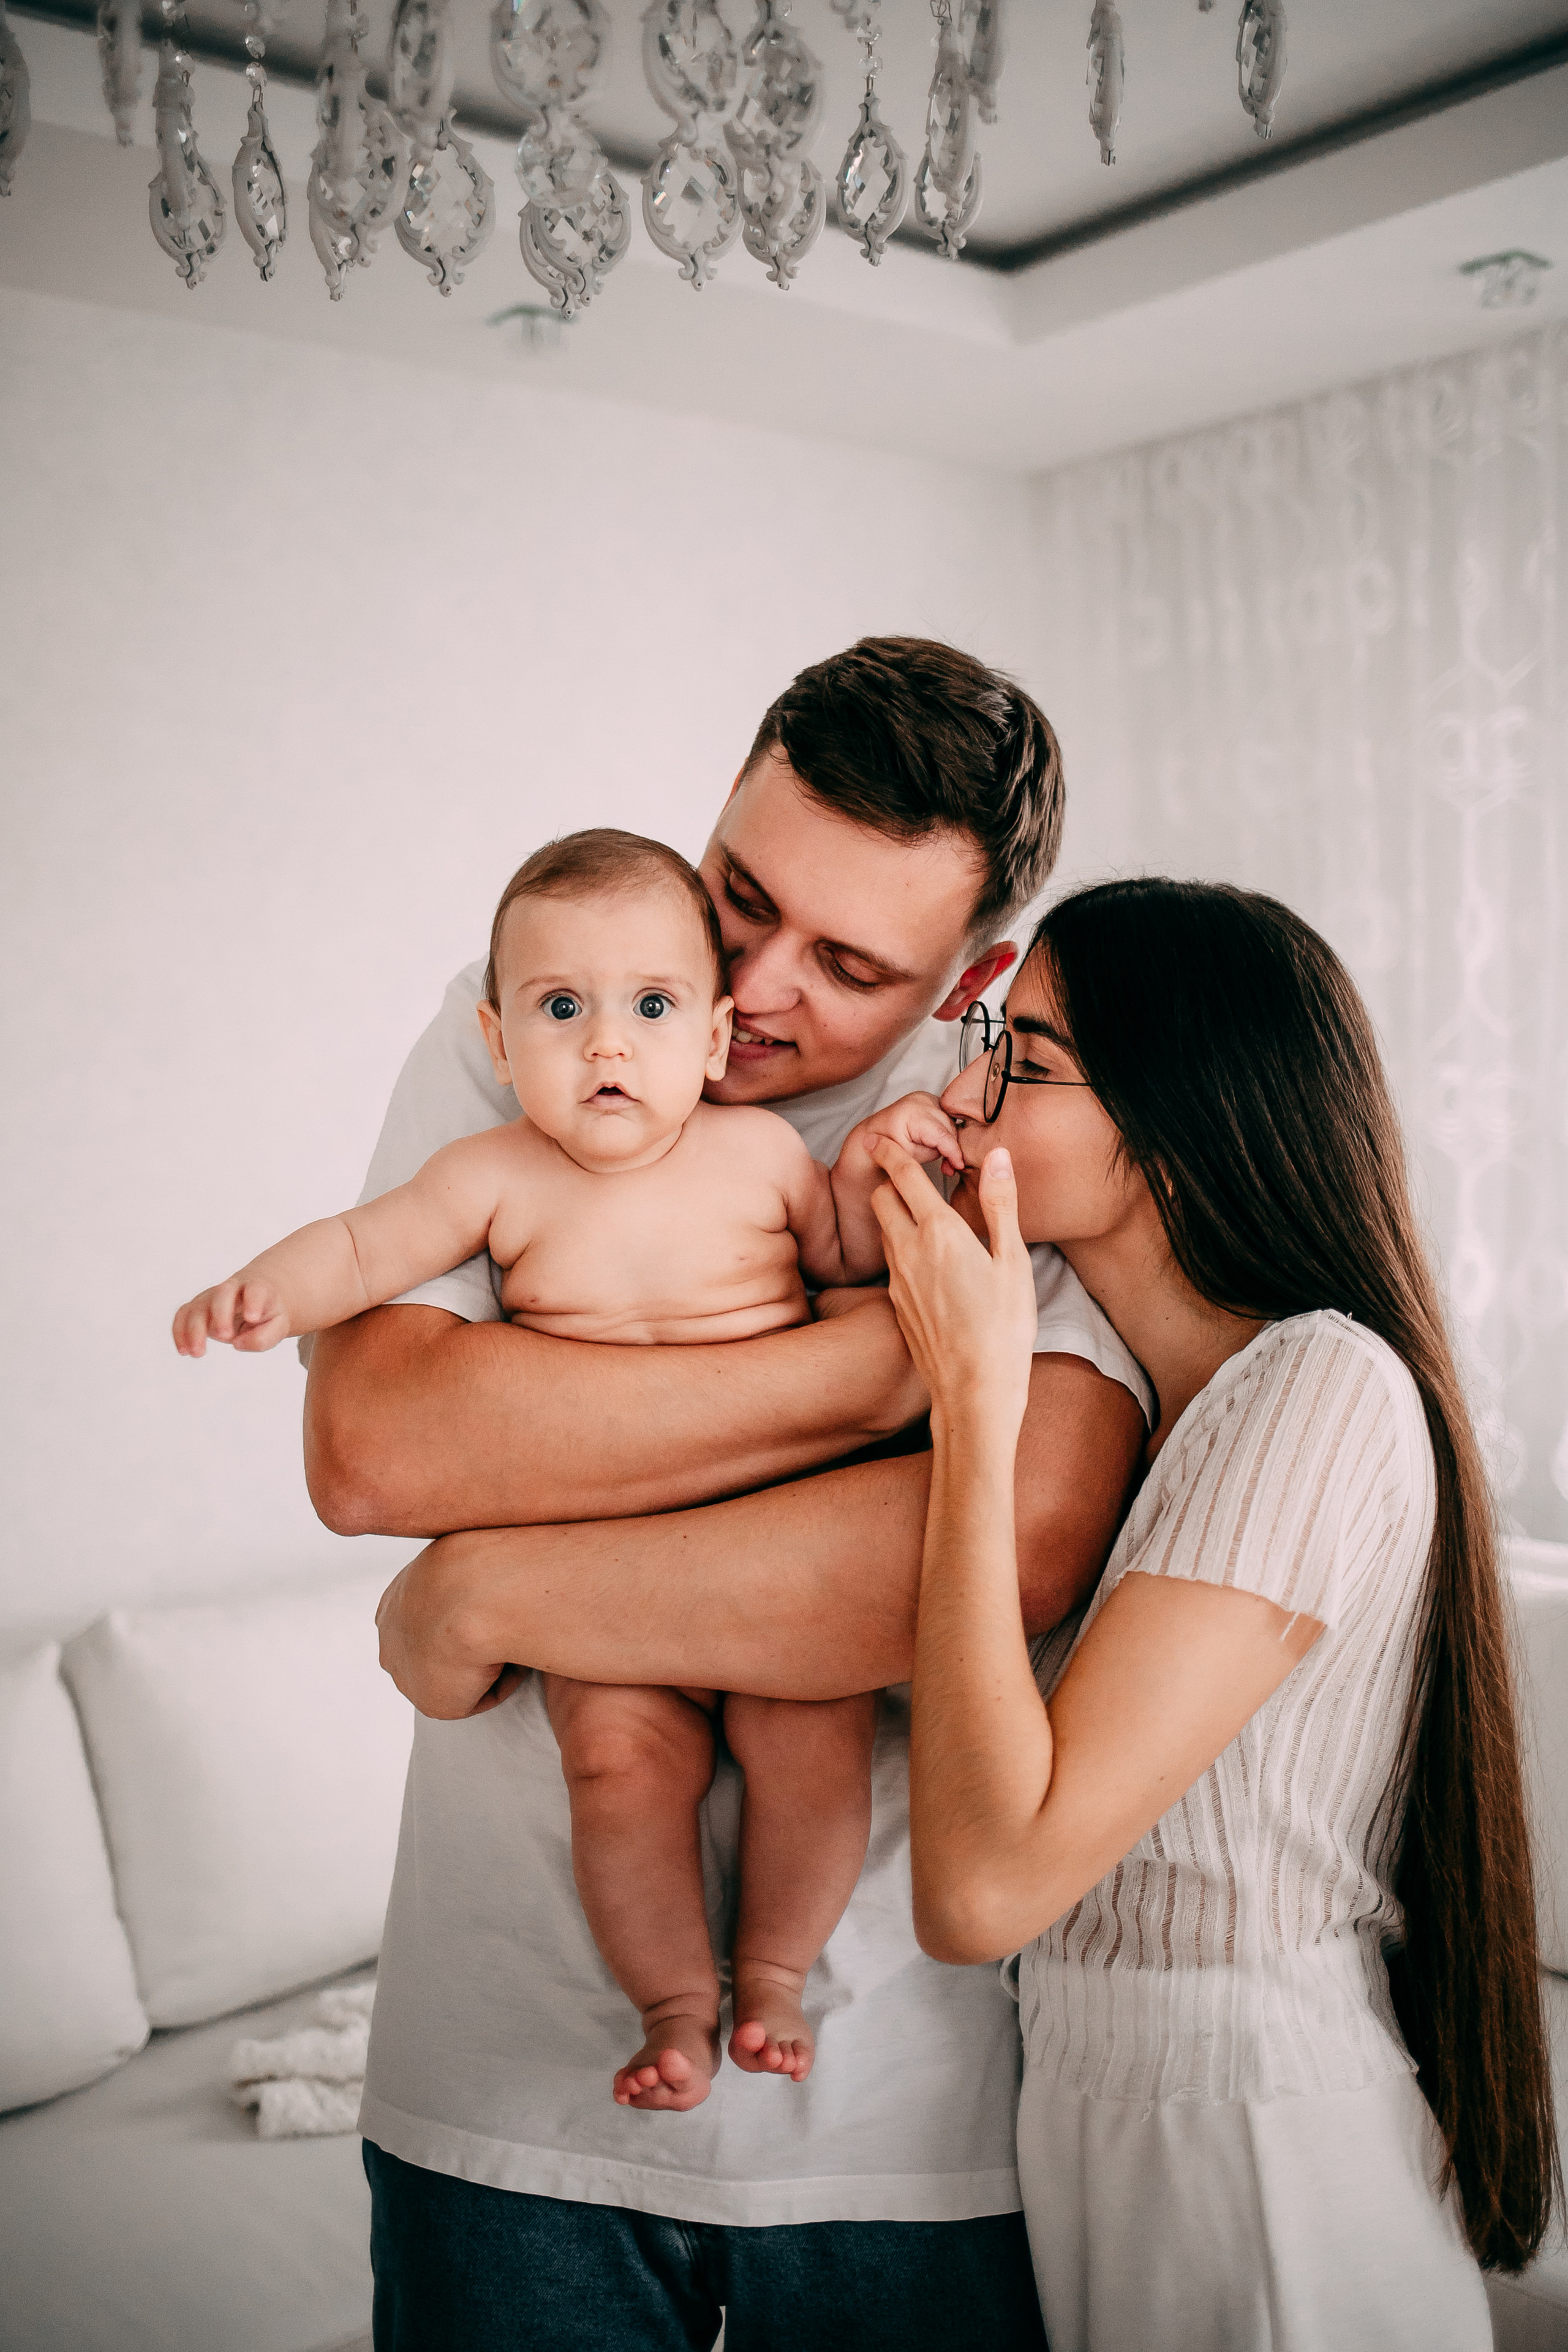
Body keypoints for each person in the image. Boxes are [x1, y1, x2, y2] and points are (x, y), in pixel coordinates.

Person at [316, 639, 1150, 2350]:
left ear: (965, 976)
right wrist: (882, 1376)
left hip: (894, 2114)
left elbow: (1019, 1539)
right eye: (738, 894)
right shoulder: (555, 1017)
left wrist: (490, 1592)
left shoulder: (1002, 1109)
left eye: (848, 964)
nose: (752, 988)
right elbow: (379, 1444)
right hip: (505, 2083)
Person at [174, 826, 968, 2113]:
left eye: (650, 1009)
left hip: (781, 1554)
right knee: (616, 1769)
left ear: (708, 1043)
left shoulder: (764, 1156)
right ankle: (672, 2004)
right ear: (499, 1046)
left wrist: (882, 1166)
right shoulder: (489, 1177)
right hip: (599, 1581)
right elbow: (367, 1252)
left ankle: (770, 1973)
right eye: (561, 1010)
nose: (607, 1045)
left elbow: (848, 1266)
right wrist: (267, 1288)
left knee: (808, 1745)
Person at [867, 876, 1558, 2350]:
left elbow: (981, 1891)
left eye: (1026, 1062)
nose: (968, 1089)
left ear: (1177, 1127)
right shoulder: (1137, 1405)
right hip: (1099, 2115)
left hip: (1252, 2143)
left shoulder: (1322, 1386)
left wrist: (970, 1401)